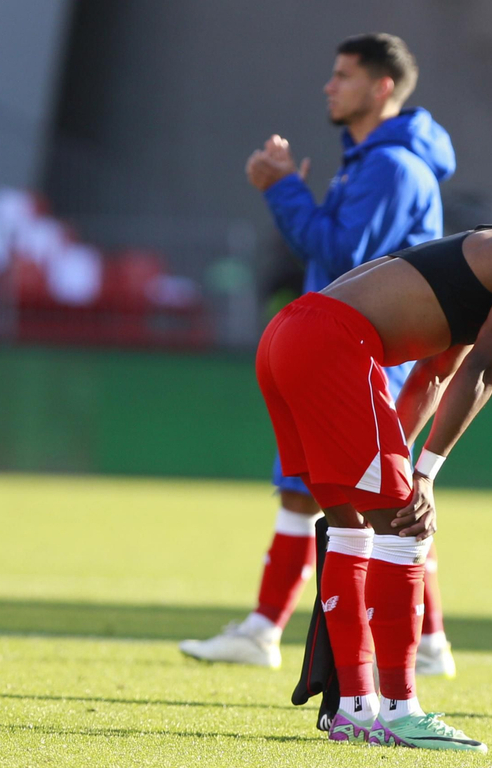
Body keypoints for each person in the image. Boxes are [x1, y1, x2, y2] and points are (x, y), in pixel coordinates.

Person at [257, 220, 492, 750]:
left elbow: (433, 378)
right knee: (408, 528)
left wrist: (397, 469)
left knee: (353, 526)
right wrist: (422, 476)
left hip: (287, 336)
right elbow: (485, 368)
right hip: (333, 341)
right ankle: (399, 710)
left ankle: (356, 709)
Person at [179, 33, 459, 673]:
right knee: (321, 491)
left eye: (343, 75)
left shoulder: (391, 167)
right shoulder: (370, 162)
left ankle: (405, 638)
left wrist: (282, 190)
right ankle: (413, 638)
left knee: (355, 494)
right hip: (352, 347)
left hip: (366, 354)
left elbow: (344, 258)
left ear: (381, 86)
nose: (329, 87)